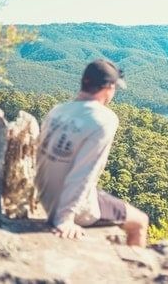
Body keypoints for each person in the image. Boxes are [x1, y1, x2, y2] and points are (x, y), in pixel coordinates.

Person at [35, 59, 149, 246]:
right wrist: (64, 219)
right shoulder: (104, 119)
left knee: (102, 195)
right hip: (70, 207)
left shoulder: (58, 110)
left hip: (44, 195)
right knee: (140, 222)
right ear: (109, 87)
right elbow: (84, 172)